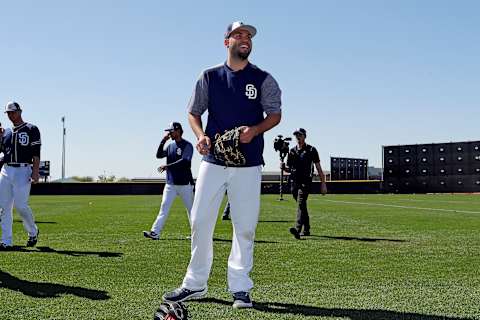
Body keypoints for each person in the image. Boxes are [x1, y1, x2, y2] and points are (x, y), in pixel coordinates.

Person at [163, 21, 282, 309]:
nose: (245, 39)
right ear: (226, 41)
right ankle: (195, 283)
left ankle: (240, 288)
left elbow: (275, 114)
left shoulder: (263, 78)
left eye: (248, 36)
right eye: (238, 35)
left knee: (244, 226)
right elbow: (193, 112)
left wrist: (254, 130)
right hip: (213, 161)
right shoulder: (210, 77)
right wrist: (201, 135)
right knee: (201, 221)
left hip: (248, 162)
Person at [0, 101, 41, 251]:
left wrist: (35, 172)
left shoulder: (32, 129)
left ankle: (33, 231)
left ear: (20, 111)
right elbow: (3, 153)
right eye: (8, 113)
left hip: (23, 169)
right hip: (6, 170)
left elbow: (36, 153)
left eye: (13, 112)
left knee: (21, 206)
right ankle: (6, 241)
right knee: (4, 207)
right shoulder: (5, 132)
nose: (11, 115)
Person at [143, 122, 194, 240]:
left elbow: (185, 161)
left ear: (178, 131)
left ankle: (196, 234)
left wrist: (168, 166)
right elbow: (159, 155)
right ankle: (155, 232)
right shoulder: (170, 146)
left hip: (185, 184)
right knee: (163, 209)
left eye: (171, 131)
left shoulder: (188, 145)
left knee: (192, 211)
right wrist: (163, 141)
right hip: (170, 184)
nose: (169, 133)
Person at [281, 128, 327, 240]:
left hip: (306, 182)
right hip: (294, 182)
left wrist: (323, 184)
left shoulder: (311, 150)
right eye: (296, 135)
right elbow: (289, 169)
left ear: (304, 136)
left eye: (300, 135)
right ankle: (307, 229)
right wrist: (283, 167)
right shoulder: (291, 151)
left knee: (301, 203)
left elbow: (319, 168)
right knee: (302, 206)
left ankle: (297, 229)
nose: (298, 137)